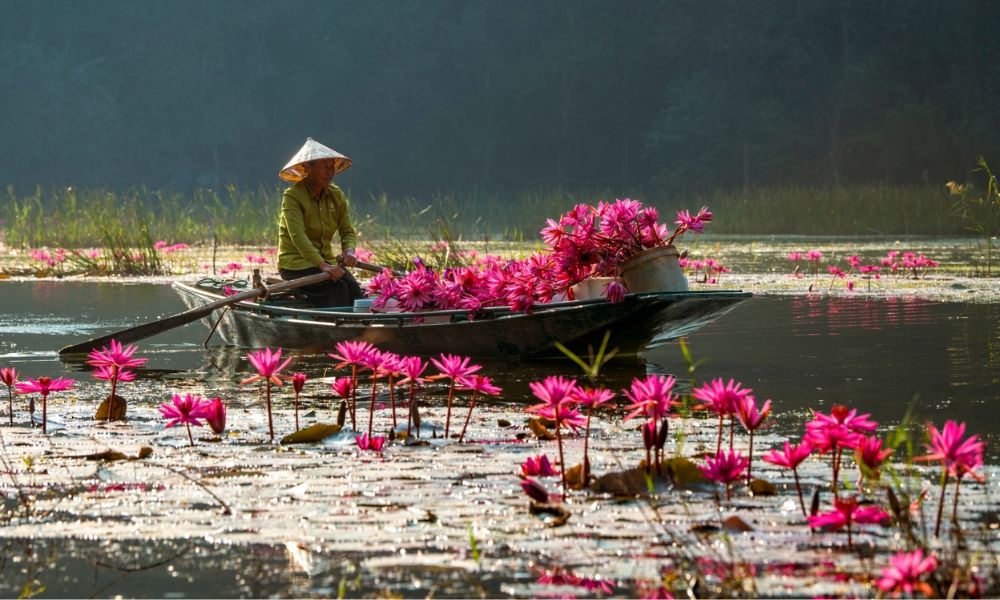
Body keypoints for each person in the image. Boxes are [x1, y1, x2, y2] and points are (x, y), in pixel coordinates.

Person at [276, 138, 365, 308]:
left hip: (327, 263)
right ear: (308, 168)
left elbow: (347, 230)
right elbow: (298, 236)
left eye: (332, 167)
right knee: (338, 289)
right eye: (325, 167)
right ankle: (340, 331)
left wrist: (349, 251)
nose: (330, 172)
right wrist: (323, 265)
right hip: (296, 265)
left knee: (354, 289)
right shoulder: (292, 197)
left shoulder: (336, 195)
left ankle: (357, 331)